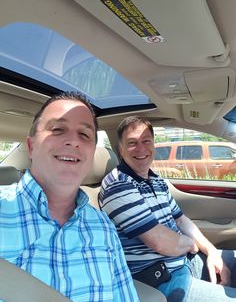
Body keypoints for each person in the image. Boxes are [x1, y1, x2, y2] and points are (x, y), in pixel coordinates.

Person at [0, 93, 139, 302]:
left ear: (92, 152)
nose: (73, 141)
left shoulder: (103, 226)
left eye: (84, 134)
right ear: (31, 147)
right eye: (57, 129)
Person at [99, 116, 236, 302]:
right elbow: (158, 241)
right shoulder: (118, 185)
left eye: (146, 141)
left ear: (153, 145)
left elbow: (180, 220)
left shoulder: (156, 181)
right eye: (132, 143)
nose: (141, 148)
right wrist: (190, 245)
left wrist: (211, 252)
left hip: (184, 263)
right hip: (161, 280)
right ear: (121, 150)